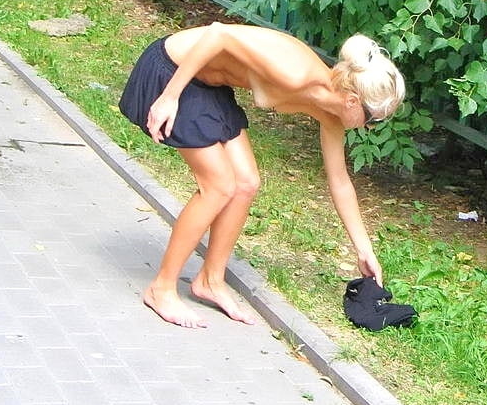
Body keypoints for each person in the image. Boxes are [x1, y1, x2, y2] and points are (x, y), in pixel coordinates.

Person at [119, 21, 406, 328]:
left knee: (245, 183)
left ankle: (210, 280)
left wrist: (363, 250)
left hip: (209, 87)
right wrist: (170, 96)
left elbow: (340, 182)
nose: (370, 128)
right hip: (173, 70)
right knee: (218, 186)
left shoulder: (330, 115)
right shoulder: (297, 73)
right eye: (373, 120)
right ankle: (161, 289)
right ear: (352, 101)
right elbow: (218, 33)